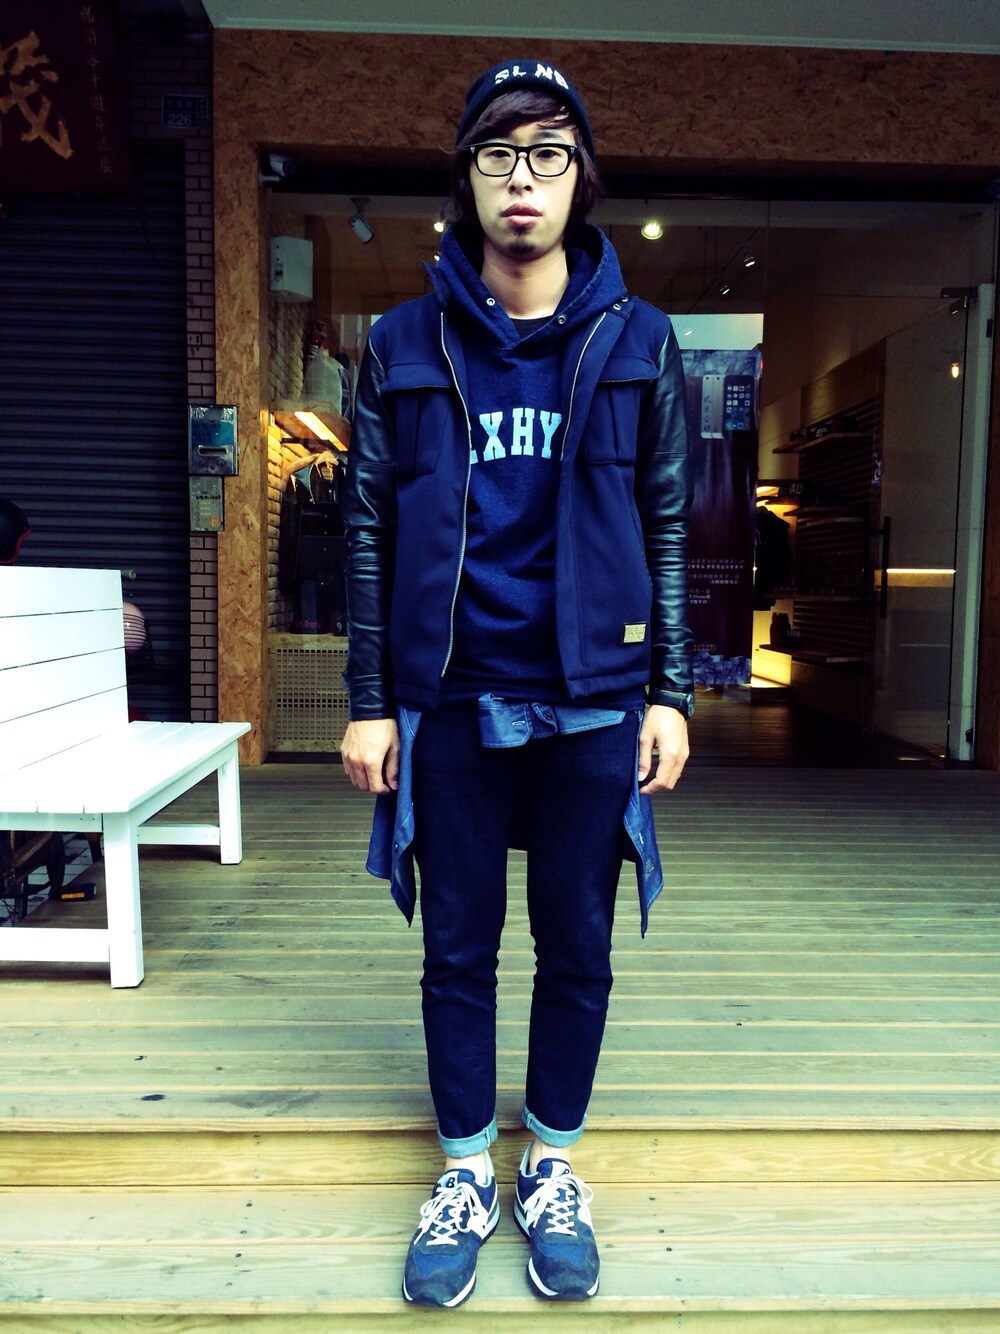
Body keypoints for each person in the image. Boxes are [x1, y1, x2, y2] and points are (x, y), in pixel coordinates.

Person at [340, 58, 694, 1309]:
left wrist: (672, 691)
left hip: (595, 697)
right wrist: (368, 698)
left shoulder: (639, 338)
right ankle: (461, 1171)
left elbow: (665, 519)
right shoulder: (403, 339)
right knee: (457, 945)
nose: (522, 179)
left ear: (580, 177)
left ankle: (549, 1161)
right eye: (498, 155)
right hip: (448, 697)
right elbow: (369, 526)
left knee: (577, 941)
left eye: (547, 153)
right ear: (469, 179)